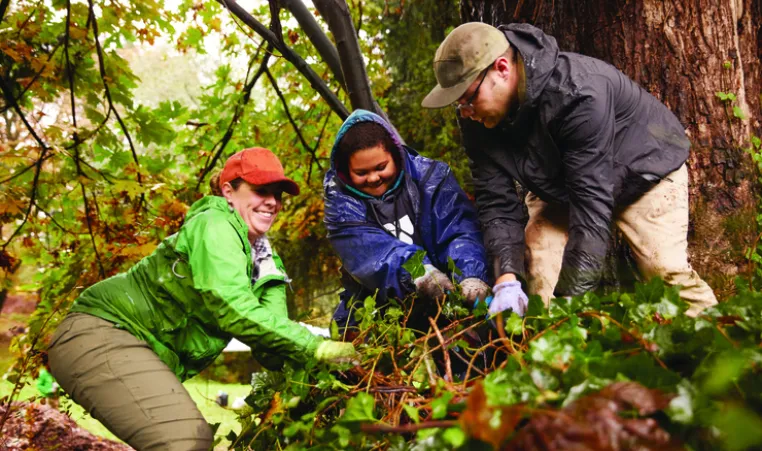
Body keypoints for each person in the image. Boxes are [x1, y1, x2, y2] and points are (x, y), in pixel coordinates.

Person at [46, 147, 356, 451]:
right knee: (184, 440)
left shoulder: (265, 261)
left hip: (138, 347)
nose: (272, 202)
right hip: (102, 333)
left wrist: (329, 373)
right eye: (261, 190)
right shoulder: (214, 224)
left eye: (278, 194)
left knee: (189, 439)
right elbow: (230, 306)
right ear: (228, 191)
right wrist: (316, 347)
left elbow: (271, 350)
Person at [421, 22, 717, 317]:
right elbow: (495, 201)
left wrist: (570, 302)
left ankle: (723, 342)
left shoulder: (579, 92)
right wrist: (505, 280)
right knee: (540, 258)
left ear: (501, 68)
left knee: (664, 269)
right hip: (559, 180)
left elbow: (591, 211)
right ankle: (554, 354)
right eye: (459, 104)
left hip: (644, 171)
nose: (466, 111)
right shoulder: (476, 117)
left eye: (469, 98)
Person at [324, 109, 491, 332]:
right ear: (347, 169)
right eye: (361, 172)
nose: (374, 178)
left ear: (395, 155)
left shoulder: (433, 176)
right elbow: (372, 253)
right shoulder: (340, 204)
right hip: (379, 308)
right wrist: (419, 273)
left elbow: (459, 230)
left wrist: (470, 274)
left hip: (450, 296)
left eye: (381, 167)